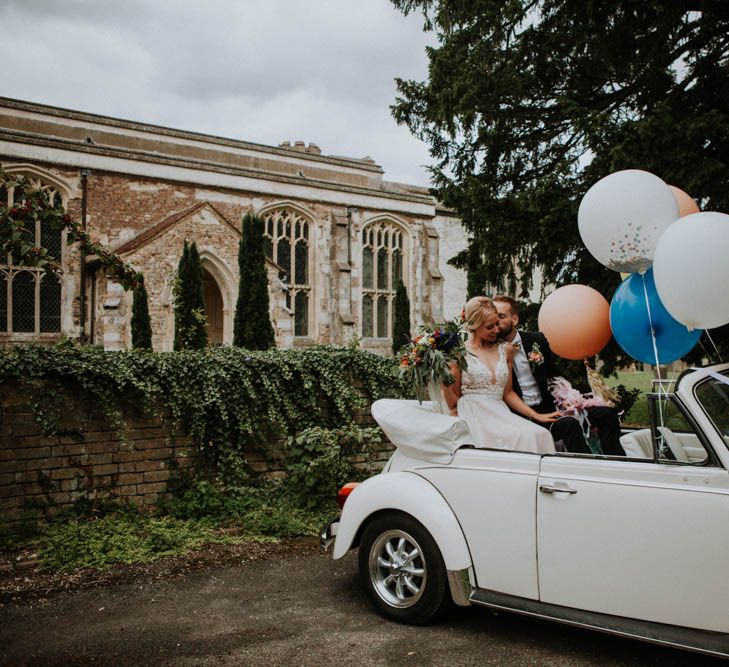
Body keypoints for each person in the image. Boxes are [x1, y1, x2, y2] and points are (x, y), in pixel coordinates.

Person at [493, 295, 625, 456]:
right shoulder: (491, 351)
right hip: (521, 416)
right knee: (569, 425)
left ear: (514, 319)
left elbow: (556, 374)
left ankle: (618, 461)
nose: (496, 322)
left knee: (607, 414)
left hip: (552, 406)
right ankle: (588, 470)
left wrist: (573, 400)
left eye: (501, 316)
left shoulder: (536, 340)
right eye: (493, 317)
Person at [445, 296, 559, 454]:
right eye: (490, 326)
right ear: (474, 326)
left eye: (497, 324)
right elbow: (452, 401)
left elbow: (508, 393)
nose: (497, 330)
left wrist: (536, 416)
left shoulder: (506, 349)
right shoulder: (458, 355)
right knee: (515, 439)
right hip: (472, 415)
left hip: (501, 413)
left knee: (540, 435)